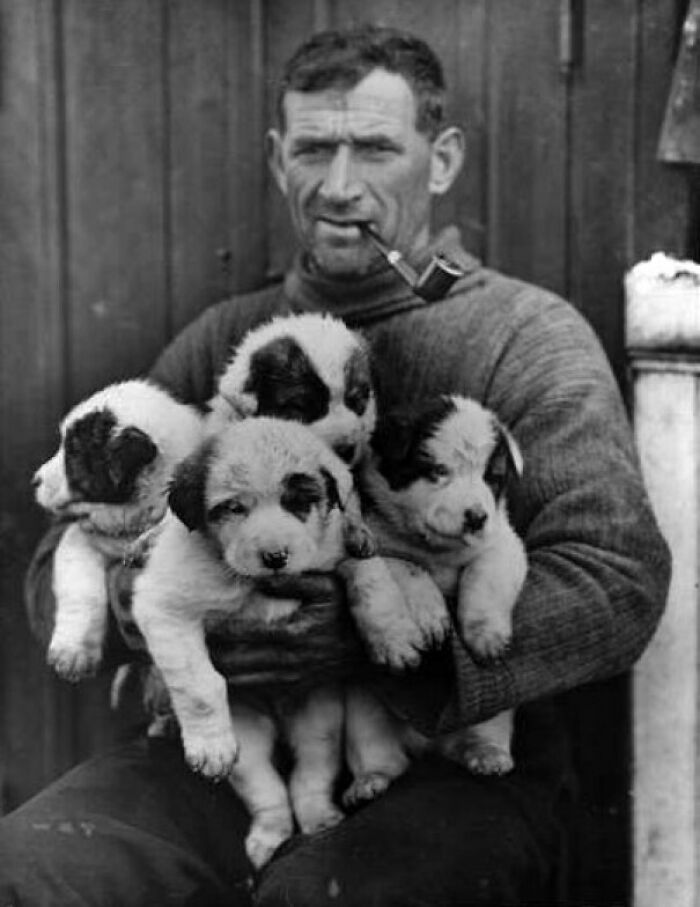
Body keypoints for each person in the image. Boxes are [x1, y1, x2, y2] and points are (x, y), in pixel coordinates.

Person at [0, 24, 669, 907]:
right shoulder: (222, 350)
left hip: (455, 764)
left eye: (377, 148)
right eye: (315, 148)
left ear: (441, 160)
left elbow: (616, 577)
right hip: (229, 748)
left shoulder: (525, 338)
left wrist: (375, 638)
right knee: (34, 869)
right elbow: (64, 552)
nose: (341, 184)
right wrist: (144, 605)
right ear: (280, 160)